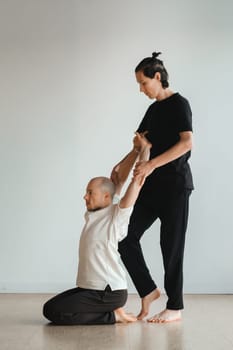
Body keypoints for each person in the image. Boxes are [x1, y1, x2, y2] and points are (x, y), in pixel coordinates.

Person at [111, 51, 194, 323]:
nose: (141, 89)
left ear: (157, 77)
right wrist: (121, 165)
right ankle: (148, 290)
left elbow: (186, 143)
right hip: (150, 187)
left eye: (143, 83)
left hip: (175, 187)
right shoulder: (152, 110)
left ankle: (175, 307)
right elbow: (139, 145)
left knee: (170, 247)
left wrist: (151, 165)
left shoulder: (179, 104)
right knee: (124, 236)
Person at [43, 133, 151, 325]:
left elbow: (137, 181)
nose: (85, 197)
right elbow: (117, 176)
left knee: (53, 311)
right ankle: (112, 313)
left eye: (90, 193)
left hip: (108, 291)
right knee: (51, 306)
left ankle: (113, 316)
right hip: (90, 288)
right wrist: (135, 150)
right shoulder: (94, 214)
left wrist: (145, 150)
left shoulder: (117, 216)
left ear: (107, 197)